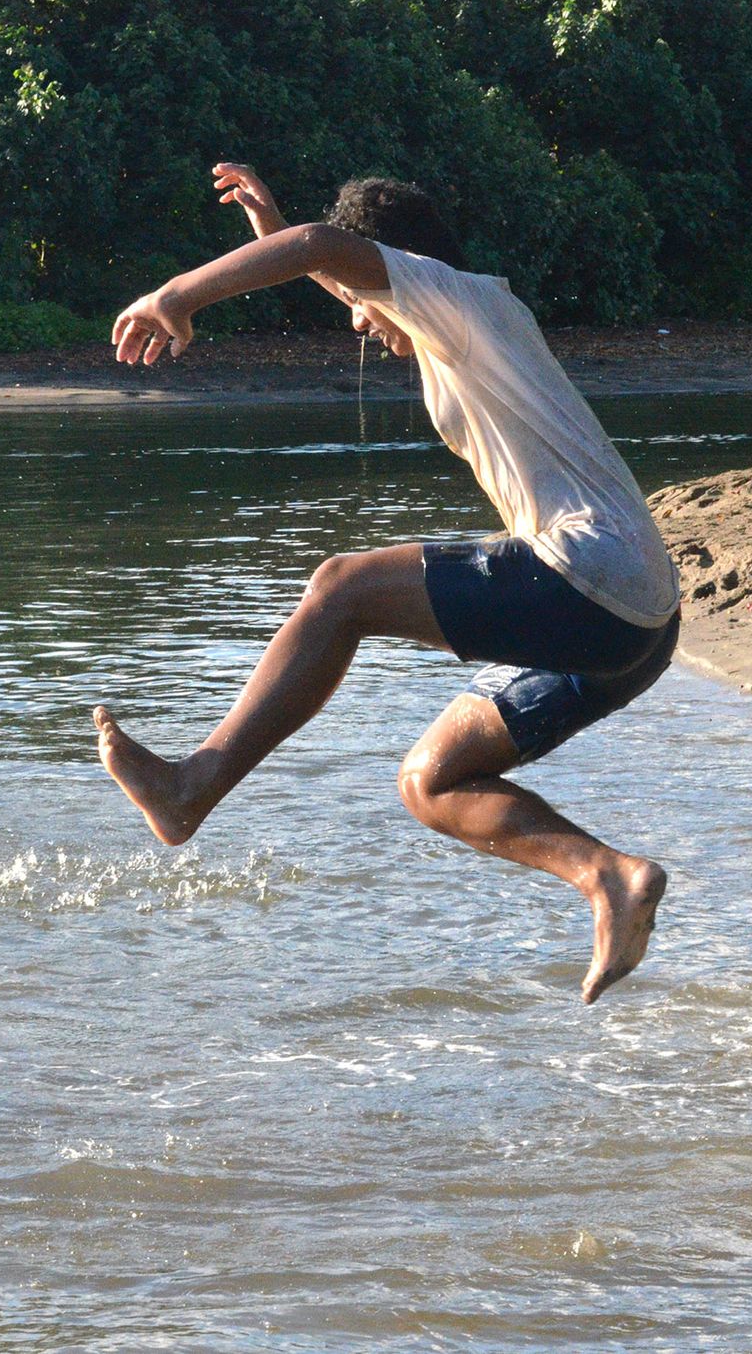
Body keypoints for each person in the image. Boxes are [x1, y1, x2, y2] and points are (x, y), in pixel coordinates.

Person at [94, 163, 681, 1004]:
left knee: (343, 589)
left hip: (592, 575)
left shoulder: (467, 303)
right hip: (639, 628)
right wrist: (273, 230)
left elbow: (327, 254)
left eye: (364, 300)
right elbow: (334, 270)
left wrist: (178, 295)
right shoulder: (453, 317)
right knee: (432, 780)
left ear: (396, 268)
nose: (360, 327)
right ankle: (609, 879)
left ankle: (194, 786)